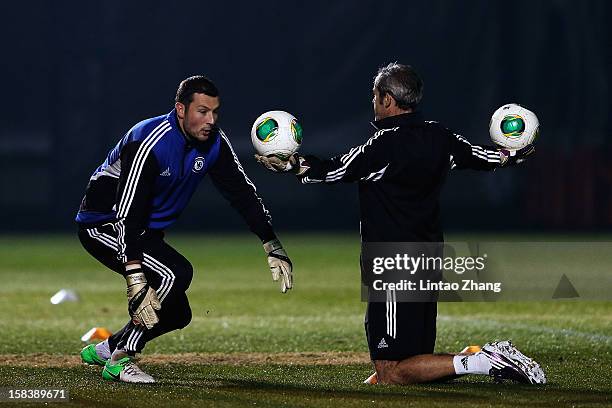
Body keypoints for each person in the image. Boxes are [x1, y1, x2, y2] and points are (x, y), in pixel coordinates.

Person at [255, 63, 546, 385]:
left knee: (390, 370)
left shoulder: (384, 145)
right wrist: (512, 154)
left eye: (375, 96)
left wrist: (292, 165)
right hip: (429, 256)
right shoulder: (439, 136)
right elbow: (483, 157)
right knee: (406, 367)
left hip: (392, 262)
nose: (374, 102)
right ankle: (475, 355)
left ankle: (483, 359)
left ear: (388, 100)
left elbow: (336, 170)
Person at [76, 75, 293, 384]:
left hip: (140, 230)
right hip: (105, 224)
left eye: (215, 112)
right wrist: (135, 277)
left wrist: (270, 242)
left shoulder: (214, 142)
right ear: (180, 109)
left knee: (178, 314)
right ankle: (120, 357)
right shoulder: (149, 140)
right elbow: (128, 213)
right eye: (202, 111)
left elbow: (241, 193)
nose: (211, 119)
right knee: (176, 273)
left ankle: (106, 347)